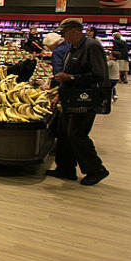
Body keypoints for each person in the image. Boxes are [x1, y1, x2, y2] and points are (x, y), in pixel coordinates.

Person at [48, 18, 110, 186]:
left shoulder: (92, 46)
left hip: (85, 99)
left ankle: (96, 170)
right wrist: (59, 94)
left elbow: (99, 74)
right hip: (70, 97)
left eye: (64, 33)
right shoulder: (73, 47)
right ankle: (66, 168)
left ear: (75, 31)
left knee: (77, 135)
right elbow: (68, 71)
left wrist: (72, 77)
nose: (62, 36)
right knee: (64, 133)